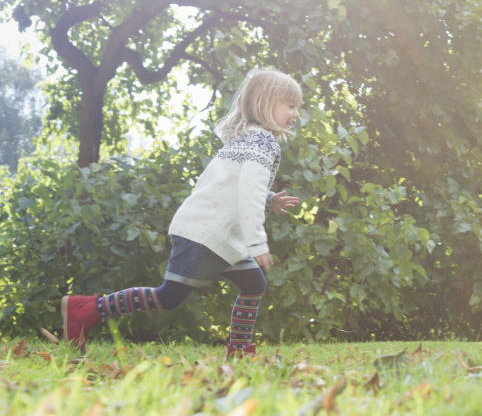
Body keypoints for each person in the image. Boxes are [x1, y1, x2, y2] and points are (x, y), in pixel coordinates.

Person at [60, 68, 303, 357]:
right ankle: (85, 310)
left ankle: (239, 351)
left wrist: (270, 198)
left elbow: (235, 185)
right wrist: (257, 243)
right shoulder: (262, 142)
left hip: (220, 236)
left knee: (253, 283)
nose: (295, 113)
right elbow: (247, 193)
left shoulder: (248, 139)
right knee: (170, 296)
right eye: (290, 105)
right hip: (206, 235)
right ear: (267, 103)